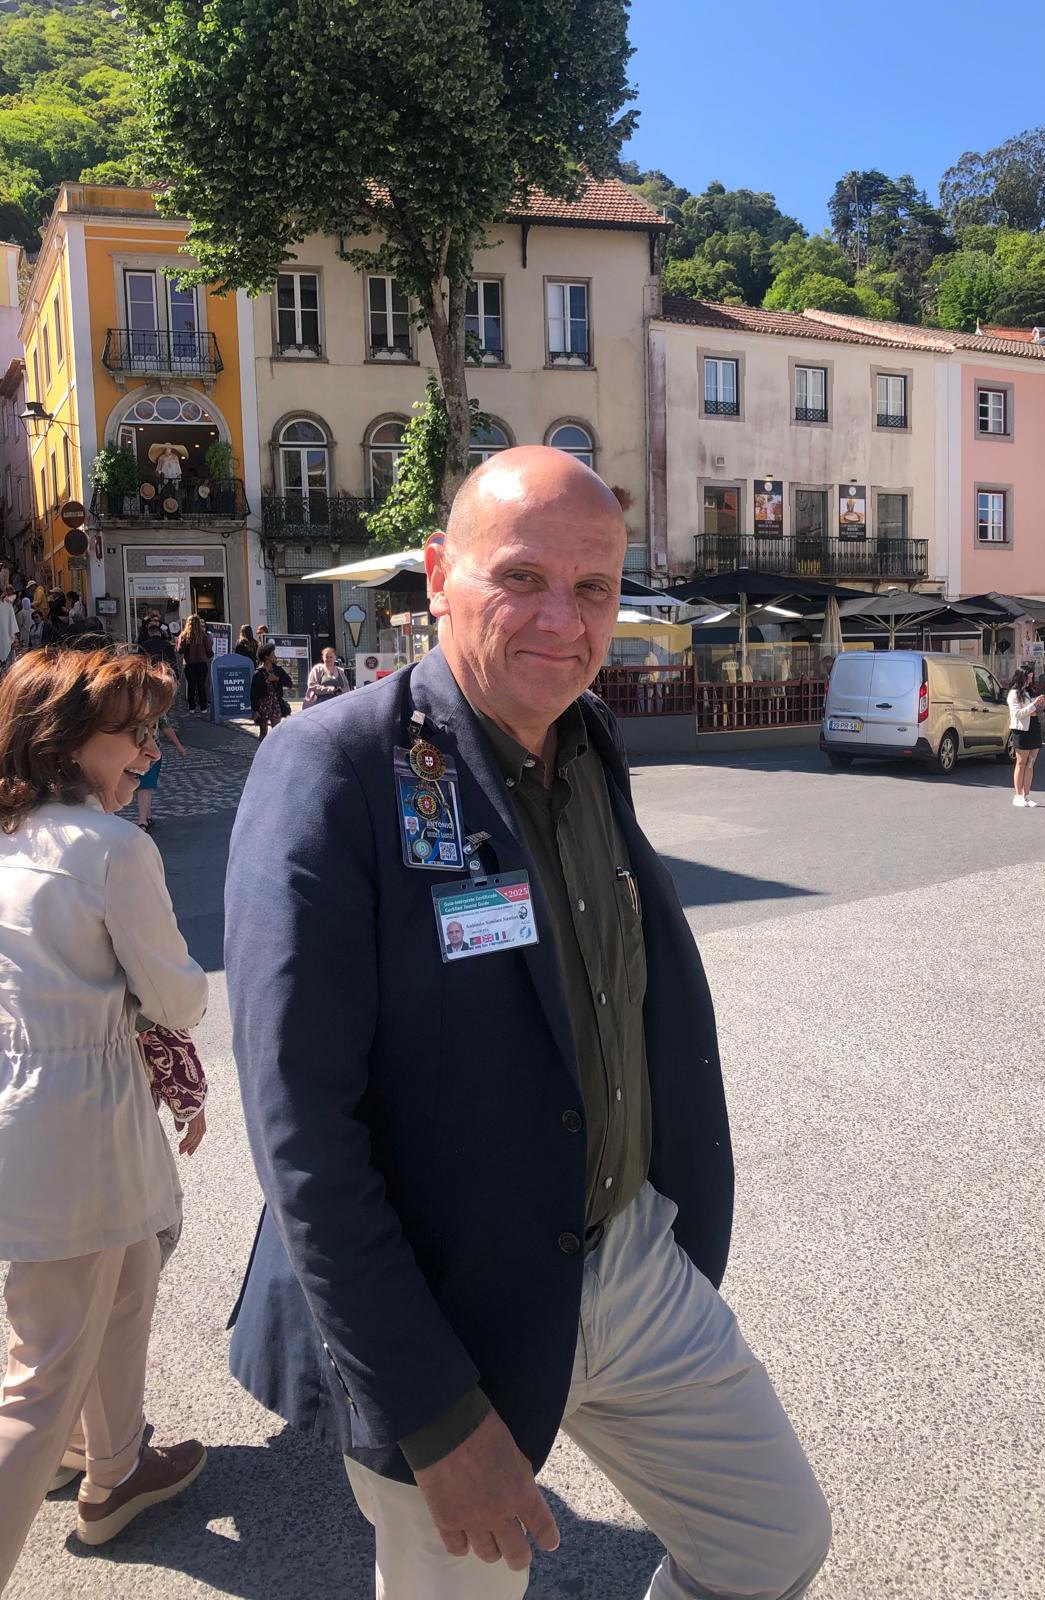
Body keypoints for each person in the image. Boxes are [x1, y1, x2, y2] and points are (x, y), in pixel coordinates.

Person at [224, 446, 831, 1600]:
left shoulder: (589, 740)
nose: (564, 619)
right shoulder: (335, 766)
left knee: (773, 1541)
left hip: (626, 1260)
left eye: (594, 587)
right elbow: (301, 1130)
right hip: (447, 1305)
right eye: (521, 577)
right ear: (438, 574)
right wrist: (434, 1413)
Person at [0, 648, 209, 1587]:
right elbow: (175, 995)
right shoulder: (113, 850)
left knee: (126, 1281)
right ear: (69, 740)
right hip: (80, 1121)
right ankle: (88, 1455)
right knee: (39, 1378)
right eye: (136, 734)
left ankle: (111, 1463)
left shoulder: (12, 835)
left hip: (38, 1107)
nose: (150, 753)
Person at [136, 709, 187, 832]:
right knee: (145, 785)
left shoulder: (155, 705)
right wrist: (178, 746)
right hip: (146, 749)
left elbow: (165, 725)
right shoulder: (155, 704)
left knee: (145, 784)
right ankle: (143, 819)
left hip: (148, 750)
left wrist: (178, 745)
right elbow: (165, 725)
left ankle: (146, 817)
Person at [1007, 666, 1045, 807]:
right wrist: (1034, 704)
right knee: (1021, 762)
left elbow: (1035, 709)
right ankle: (1018, 795)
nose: (1030, 680)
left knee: (1031, 763)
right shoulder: (1013, 694)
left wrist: (1041, 702)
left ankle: (1027, 795)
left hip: (1034, 726)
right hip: (1021, 730)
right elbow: (1018, 714)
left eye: (1031, 677)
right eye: (1027, 677)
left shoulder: (1029, 691)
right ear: (1020, 677)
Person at [250, 642, 292, 739]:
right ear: (266, 657)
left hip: (276, 702)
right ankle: (263, 748)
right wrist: (255, 710)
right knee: (263, 732)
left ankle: (276, 747)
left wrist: (277, 679)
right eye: (273, 654)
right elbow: (253, 693)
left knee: (277, 731)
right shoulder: (258, 673)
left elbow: (289, 683)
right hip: (263, 705)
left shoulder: (278, 670)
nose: (275, 656)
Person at [176, 613, 214, 714]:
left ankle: (192, 707)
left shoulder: (184, 635)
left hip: (190, 664)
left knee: (191, 686)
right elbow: (209, 650)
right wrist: (209, 655)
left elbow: (180, 650)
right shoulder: (204, 635)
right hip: (202, 663)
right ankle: (203, 707)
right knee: (201, 685)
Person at [0, 585, 16, 672]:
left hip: (6, 636)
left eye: (10, 589)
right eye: (7, 590)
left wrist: (13, 638)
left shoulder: (8, 604)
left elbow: (11, 622)